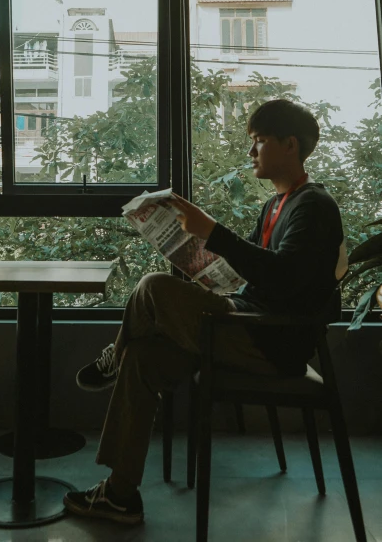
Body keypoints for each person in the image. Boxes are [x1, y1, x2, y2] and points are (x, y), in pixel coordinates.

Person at [63, 99, 347, 525]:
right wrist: (199, 259)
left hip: (269, 342)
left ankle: (112, 356)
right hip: (244, 324)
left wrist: (213, 231)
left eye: (260, 141)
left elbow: (286, 278)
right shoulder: (273, 207)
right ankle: (120, 496)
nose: (251, 152)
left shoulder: (313, 207)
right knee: (143, 358)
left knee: (152, 287)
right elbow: (247, 273)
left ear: (290, 145)